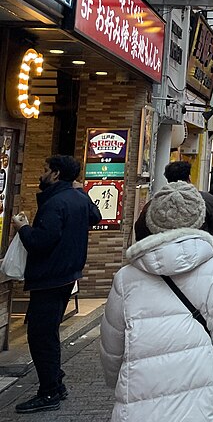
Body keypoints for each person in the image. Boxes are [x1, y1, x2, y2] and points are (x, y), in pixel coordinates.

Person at [99, 182, 213, 421]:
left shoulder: (126, 277)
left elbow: (112, 345)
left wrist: (117, 380)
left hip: (140, 399)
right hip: (204, 402)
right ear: (199, 219)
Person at [11, 155, 101, 414]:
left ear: (56, 174)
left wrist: (22, 228)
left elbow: (40, 242)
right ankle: (55, 383)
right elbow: (95, 215)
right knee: (48, 333)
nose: (42, 173)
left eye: (45, 169)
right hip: (67, 275)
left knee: (41, 336)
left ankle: (49, 391)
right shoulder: (77, 198)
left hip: (49, 277)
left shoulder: (55, 203)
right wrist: (80, 190)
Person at [135, 161, 213, 242]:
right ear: (189, 178)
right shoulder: (207, 199)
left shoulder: (154, 203)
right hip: (198, 246)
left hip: (163, 250)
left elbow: (140, 230)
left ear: (168, 179)